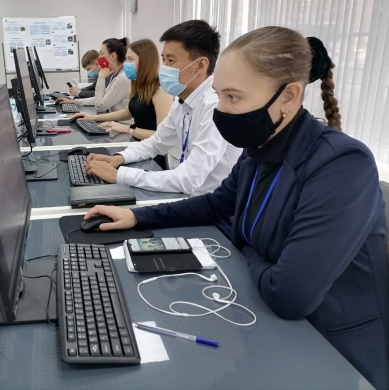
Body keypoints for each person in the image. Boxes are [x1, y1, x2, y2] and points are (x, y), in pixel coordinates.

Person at [83, 27, 389, 389]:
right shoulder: (261, 148)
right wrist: (137, 216)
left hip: (332, 352)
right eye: (219, 95)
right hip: (265, 323)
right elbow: (217, 205)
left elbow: (290, 295)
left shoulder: (342, 164)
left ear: (288, 96)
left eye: (233, 97)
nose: (222, 110)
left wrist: (244, 247)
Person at [85, 20, 241, 196]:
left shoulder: (214, 107)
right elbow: (156, 142)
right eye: (164, 60)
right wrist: (119, 158)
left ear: (200, 65)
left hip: (213, 204)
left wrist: (121, 175)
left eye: (171, 61)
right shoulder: (184, 101)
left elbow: (189, 179)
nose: (165, 68)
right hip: (190, 196)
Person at [70, 39, 173, 141]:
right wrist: (92, 118)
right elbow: (127, 113)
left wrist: (127, 129)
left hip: (149, 147)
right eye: (126, 58)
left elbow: (163, 136)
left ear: (145, 62)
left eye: (130, 59)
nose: (126, 63)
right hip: (137, 142)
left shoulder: (161, 90)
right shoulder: (139, 84)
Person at [56, 38, 131, 115]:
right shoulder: (115, 76)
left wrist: (101, 78)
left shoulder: (122, 78)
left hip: (120, 121)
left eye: (101, 54)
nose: (99, 58)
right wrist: (73, 101)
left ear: (112, 56)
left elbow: (100, 106)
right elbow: (99, 99)